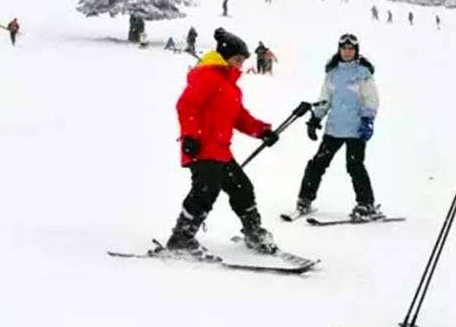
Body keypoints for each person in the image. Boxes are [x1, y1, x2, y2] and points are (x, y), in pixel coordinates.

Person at [157, 27, 281, 257]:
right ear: (225, 57)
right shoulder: (208, 77)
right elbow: (186, 106)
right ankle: (181, 238)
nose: (240, 65)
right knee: (206, 190)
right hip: (201, 147)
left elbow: (239, 117)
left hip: (220, 150)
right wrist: (191, 136)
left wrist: (262, 131)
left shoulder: (230, 87)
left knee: (242, 188)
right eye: (237, 60)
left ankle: (253, 231)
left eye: (243, 61)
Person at [294, 33, 382, 221]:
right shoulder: (333, 73)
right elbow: (325, 99)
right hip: (334, 127)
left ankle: (366, 203)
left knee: (354, 166)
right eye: (344, 48)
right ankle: (305, 199)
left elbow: (371, 99)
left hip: (355, 129)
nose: (347, 52)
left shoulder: (362, 73)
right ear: (339, 50)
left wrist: (368, 120)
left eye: (351, 49)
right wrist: (315, 119)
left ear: (355, 51)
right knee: (318, 163)